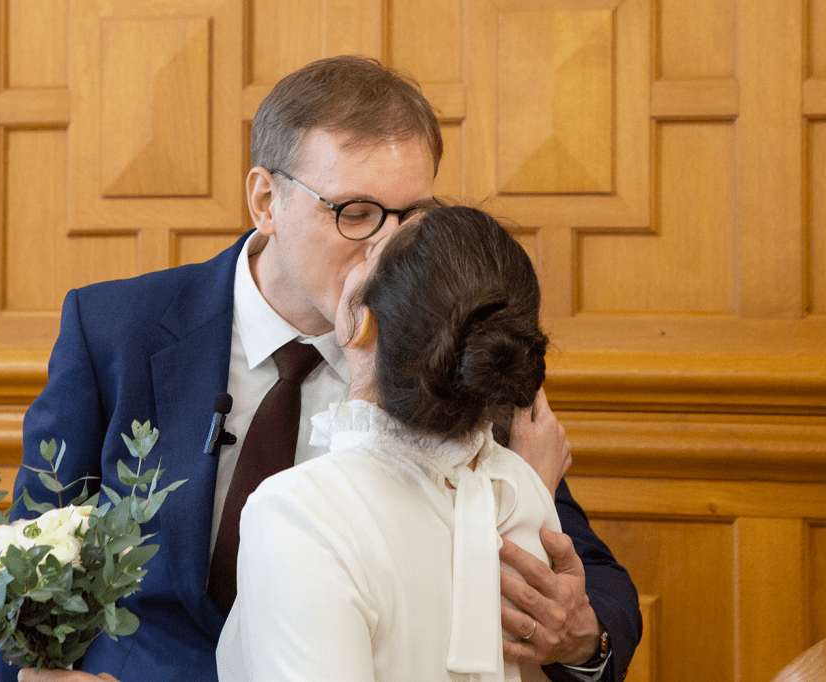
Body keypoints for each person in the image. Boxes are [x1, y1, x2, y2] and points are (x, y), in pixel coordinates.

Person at [7, 56, 640, 682]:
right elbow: (25, 575)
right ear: (266, 201)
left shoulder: (453, 342)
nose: (387, 246)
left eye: (413, 216)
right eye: (356, 213)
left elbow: (581, 576)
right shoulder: (116, 328)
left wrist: (585, 641)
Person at [217, 204, 572, 682]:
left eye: (373, 256)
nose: (359, 249)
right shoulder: (526, 491)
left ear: (362, 322)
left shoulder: (298, 513)